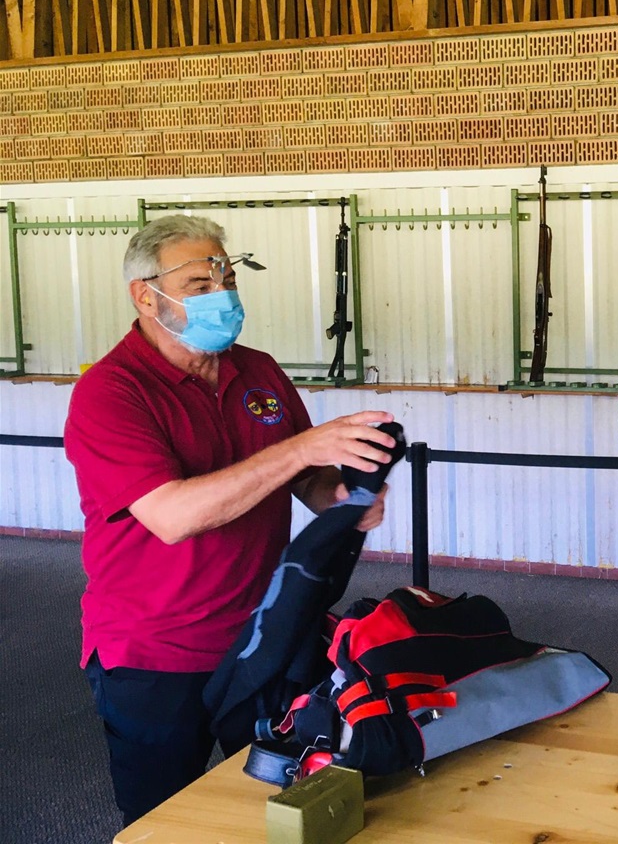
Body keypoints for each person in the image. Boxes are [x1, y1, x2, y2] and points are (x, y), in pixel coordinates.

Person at [63, 215, 398, 826]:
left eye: (227, 278)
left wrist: (341, 497)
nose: (221, 294)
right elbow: (171, 515)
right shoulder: (110, 392)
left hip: (264, 638)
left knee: (280, 806)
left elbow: (302, 477)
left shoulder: (258, 370)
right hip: (156, 653)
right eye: (199, 284)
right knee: (166, 825)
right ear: (145, 296)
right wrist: (301, 450)